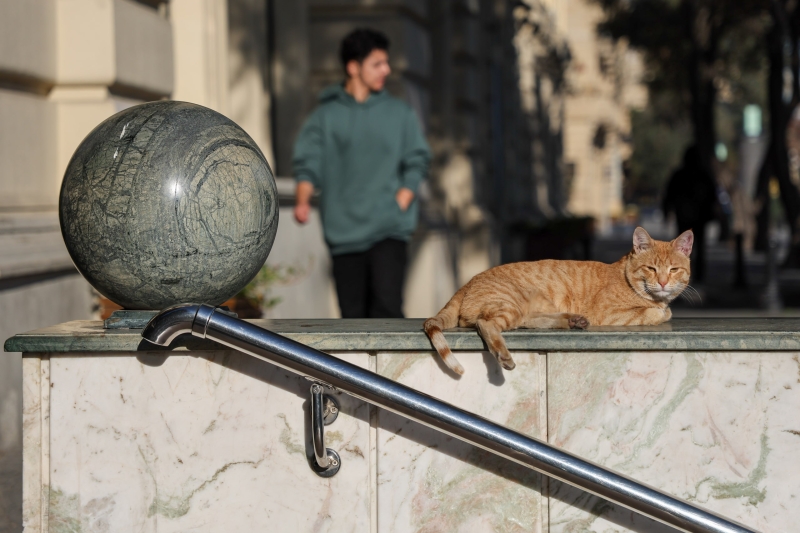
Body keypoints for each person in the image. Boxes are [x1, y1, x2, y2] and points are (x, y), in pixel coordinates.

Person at [292, 28, 431, 318]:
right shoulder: (325, 116)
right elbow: (308, 163)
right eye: (377, 64)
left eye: (386, 62)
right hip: (343, 231)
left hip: (388, 227)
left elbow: (417, 159)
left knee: (388, 311)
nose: (387, 70)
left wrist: (402, 199)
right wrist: (303, 201)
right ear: (353, 67)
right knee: (352, 316)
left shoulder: (399, 113)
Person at [662, 145, 719, 282]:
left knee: (682, 248)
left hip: (685, 216)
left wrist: (667, 211)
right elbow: (713, 196)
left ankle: (685, 275)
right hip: (698, 217)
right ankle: (697, 275)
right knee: (698, 248)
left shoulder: (680, 175)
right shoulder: (703, 175)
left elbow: (669, 195)